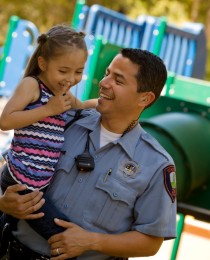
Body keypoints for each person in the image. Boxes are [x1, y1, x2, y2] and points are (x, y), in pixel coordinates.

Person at [0, 48, 177, 260]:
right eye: (107, 73)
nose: (104, 83)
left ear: (145, 99)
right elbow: (10, 167)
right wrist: (3, 202)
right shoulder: (61, 120)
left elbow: (150, 242)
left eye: (118, 80)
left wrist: (91, 241)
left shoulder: (156, 164)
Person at [0, 24, 97, 240]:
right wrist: (48, 110)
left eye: (79, 71)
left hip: (38, 182)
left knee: (8, 230)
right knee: (62, 234)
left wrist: (103, 104)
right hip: (20, 179)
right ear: (43, 63)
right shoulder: (32, 85)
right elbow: (5, 121)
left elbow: (81, 106)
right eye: (63, 71)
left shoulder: (63, 94)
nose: (71, 79)